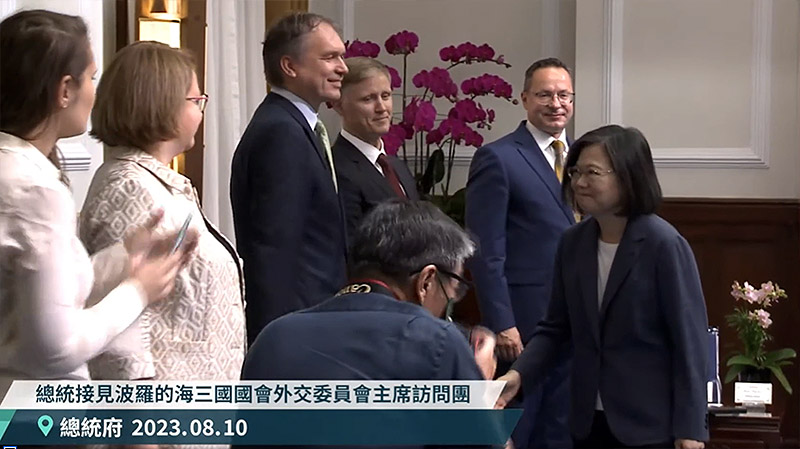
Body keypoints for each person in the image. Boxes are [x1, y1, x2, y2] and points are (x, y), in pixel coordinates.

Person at [0, 10, 190, 399]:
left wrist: (123, 257)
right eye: (92, 78)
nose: (95, 92)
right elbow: (56, 348)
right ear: (64, 90)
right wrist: (139, 290)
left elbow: (37, 297)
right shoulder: (33, 190)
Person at [496, 125, 708, 449]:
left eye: (592, 172)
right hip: (586, 422)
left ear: (628, 176)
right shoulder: (572, 243)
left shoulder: (663, 245)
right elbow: (555, 329)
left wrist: (691, 429)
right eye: (576, 171)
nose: (579, 182)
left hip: (649, 426)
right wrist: (517, 376)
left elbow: (689, 344)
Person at [242, 200, 495, 448]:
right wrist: (476, 389)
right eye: (454, 288)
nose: (451, 303)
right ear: (427, 281)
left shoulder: (273, 338)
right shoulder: (438, 343)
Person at [80, 41, 246, 385]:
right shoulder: (130, 188)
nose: (201, 110)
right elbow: (124, 330)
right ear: (163, 103)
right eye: (196, 100)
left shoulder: (160, 182)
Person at [465, 57, 575, 448]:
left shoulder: (582, 159)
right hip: (525, 322)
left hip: (575, 319)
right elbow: (485, 250)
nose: (555, 103)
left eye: (564, 95)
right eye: (544, 94)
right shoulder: (499, 157)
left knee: (564, 424)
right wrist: (502, 321)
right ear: (525, 98)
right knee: (527, 425)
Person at [230, 12, 348, 345]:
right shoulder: (282, 133)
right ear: (290, 66)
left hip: (313, 323)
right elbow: (274, 251)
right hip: (298, 332)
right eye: (329, 57)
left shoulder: (294, 126)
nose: (343, 67)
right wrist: (277, 344)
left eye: (342, 56)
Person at [331, 56, 419, 240]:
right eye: (368, 99)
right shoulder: (336, 169)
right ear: (339, 105)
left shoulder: (396, 165)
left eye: (385, 96)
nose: (382, 108)